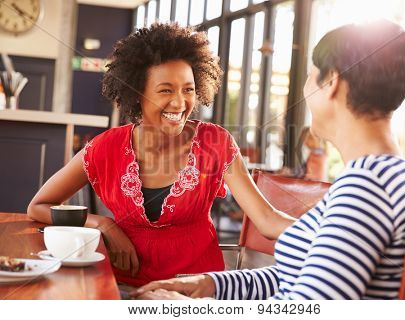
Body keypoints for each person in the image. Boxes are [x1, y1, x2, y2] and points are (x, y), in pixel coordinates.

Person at [130, 20, 405, 300]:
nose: (306, 89)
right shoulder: (387, 175)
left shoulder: (366, 186)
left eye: (310, 75)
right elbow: (298, 277)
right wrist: (210, 285)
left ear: (332, 81)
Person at [27, 23, 295, 287]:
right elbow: (38, 207)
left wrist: (332, 231)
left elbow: (267, 219)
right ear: (137, 94)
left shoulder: (216, 143)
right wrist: (102, 223)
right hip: (121, 287)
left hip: (195, 290)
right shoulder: (104, 148)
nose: (179, 103)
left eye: (188, 89)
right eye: (166, 90)